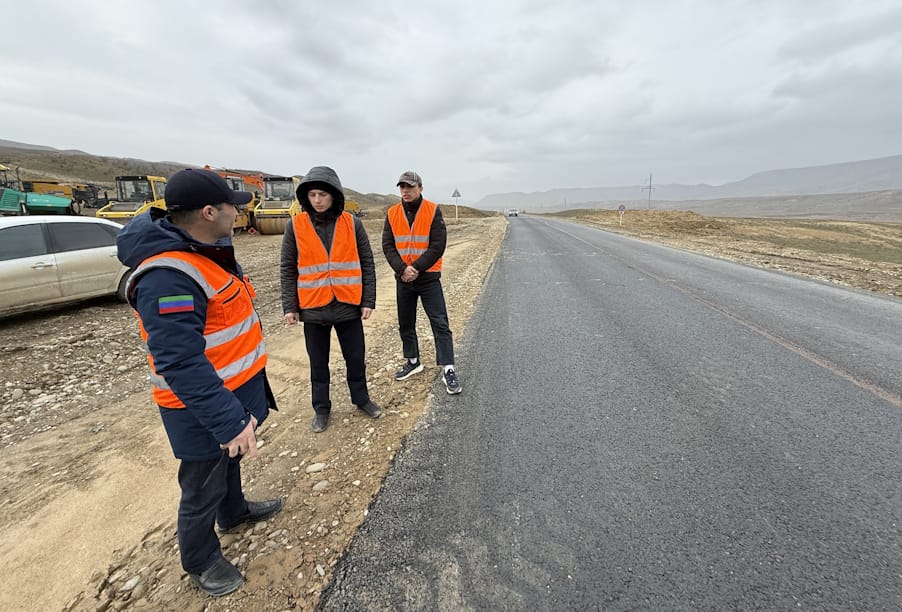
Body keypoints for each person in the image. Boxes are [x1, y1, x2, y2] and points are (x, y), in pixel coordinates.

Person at [117, 168, 282, 598]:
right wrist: (228, 421)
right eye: (232, 206)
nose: (238, 213)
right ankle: (201, 560)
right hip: (200, 407)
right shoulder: (168, 276)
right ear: (209, 212)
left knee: (229, 464)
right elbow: (180, 361)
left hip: (230, 392)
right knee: (201, 484)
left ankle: (234, 512)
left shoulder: (205, 252)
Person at [279, 166, 380, 433]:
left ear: (334, 195)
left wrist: (368, 299)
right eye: (312, 195)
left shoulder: (352, 223)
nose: (317, 200)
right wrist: (290, 306)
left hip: (348, 305)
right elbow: (287, 268)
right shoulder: (295, 226)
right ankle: (321, 409)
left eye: (322, 194)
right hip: (313, 307)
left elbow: (367, 262)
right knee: (318, 364)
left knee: (356, 359)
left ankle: (361, 399)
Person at [382, 170, 462, 394]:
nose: (405, 190)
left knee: (439, 322)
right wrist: (402, 269)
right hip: (403, 279)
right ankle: (413, 361)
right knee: (406, 323)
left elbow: (438, 245)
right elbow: (387, 245)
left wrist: (416, 268)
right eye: (402, 187)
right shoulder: (392, 213)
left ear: (420, 188)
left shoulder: (433, 210)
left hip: (428, 279)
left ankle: (448, 368)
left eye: (410, 186)